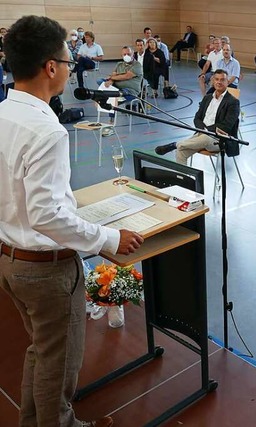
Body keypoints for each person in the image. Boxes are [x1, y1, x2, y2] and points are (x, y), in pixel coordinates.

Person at [0, 15, 144, 427]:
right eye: (67, 62)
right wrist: (107, 238)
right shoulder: (47, 131)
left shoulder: (4, 113)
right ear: (50, 67)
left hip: (11, 260)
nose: (68, 69)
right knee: (59, 364)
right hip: (45, 270)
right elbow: (47, 215)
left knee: (42, 352)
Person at [155, 69, 240, 165]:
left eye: (222, 80)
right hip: (201, 134)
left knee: (204, 139)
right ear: (213, 81)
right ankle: (184, 179)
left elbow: (227, 125)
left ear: (227, 82)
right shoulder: (207, 97)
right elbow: (197, 117)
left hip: (219, 139)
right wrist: (202, 129)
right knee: (181, 152)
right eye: (216, 79)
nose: (219, 82)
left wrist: (207, 130)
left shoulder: (233, 102)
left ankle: (175, 144)